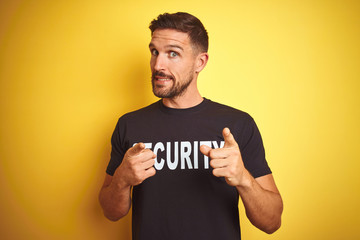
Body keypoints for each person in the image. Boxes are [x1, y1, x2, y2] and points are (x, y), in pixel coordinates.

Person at [99, 12, 283, 240]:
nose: (158, 64)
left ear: (200, 62)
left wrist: (243, 178)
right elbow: (111, 212)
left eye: (172, 54)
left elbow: (272, 221)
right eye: (154, 52)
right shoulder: (129, 124)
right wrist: (121, 179)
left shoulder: (238, 124)